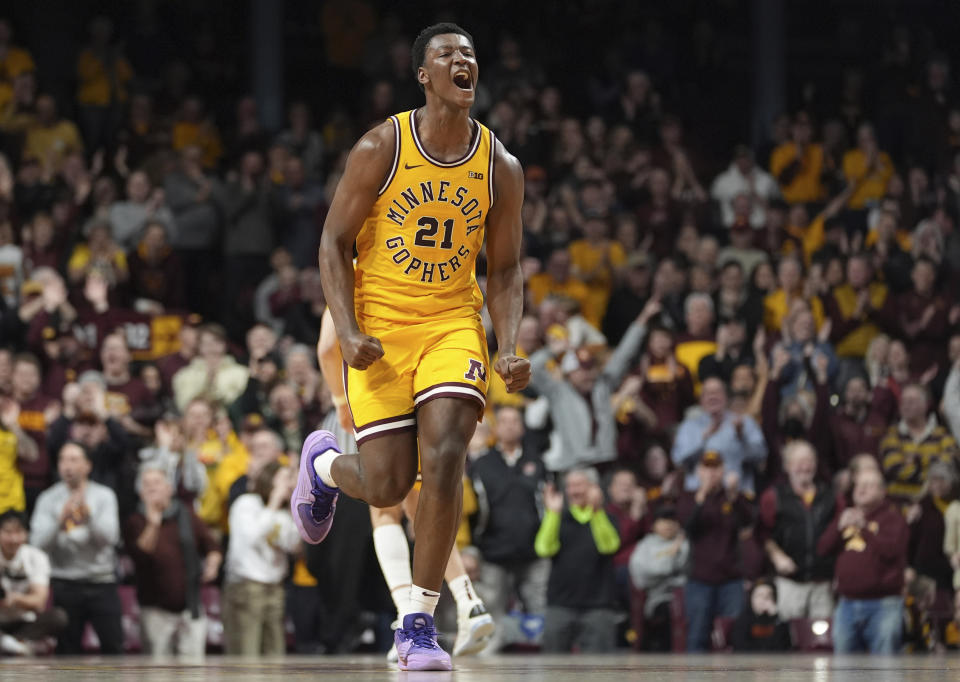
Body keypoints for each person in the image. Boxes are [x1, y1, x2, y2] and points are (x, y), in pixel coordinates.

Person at [295, 23, 530, 672]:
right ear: (423, 76)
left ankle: (419, 625)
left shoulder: (499, 164)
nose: (462, 62)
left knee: (448, 453)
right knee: (387, 485)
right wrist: (346, 330)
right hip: (381, 328)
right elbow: (332, 245)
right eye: (446, 56)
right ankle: (321, 467)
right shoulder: (382, 146)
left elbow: (506, 270)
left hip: (454, 321)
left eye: (470, 56)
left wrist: (507, 344)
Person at [315, 306, 496, 659]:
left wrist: (340, 400)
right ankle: (467, 599)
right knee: (426, 506)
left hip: (384, 396)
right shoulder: (422, 275)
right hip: (432, 387)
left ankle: (406, 615)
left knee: (385, 509)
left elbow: (326, 346)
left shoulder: (359, 274)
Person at [29, 441, 122, 654]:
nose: (67, 466)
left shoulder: (104, 496)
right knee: (66, 655)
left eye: (73, 460)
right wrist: (58, 523)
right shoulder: (48, 498)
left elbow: (111, 538)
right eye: (62, 460)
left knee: (114, 651)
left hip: (102, 583)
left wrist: (89, 517)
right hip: (65, 584)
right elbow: (37, 544)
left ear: (87, 466)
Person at [123, 464, 221, 657]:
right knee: (158, 673)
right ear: (140, 492)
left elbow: (211, 546)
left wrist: (212, 563)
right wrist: (153, 522)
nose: (152, 488)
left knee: (193, 672)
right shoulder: (135, 521)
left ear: (169, 488)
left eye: (157, 483)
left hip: (190, 607)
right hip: (154, 609)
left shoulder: (187, 515)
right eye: (146, 484)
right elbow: (140, 556)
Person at [817, 467, 908, 654]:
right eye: (858, 485)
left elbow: (892, 550)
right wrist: (838, 528)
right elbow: (822, 550)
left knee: (885, 670)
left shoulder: (893, 518)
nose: (861, 489)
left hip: (883, 605)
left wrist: (864, 527)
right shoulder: (847, 515)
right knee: (845, 671)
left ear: (882, 492)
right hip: (846, 604)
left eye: (868, 485)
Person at [536, 468, 620, 653]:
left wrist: (597, 511)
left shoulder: (608, 518)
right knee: (553, 668)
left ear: (594, 488)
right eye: (570, 486)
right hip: (560, 604)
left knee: (601, 670)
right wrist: (552, 514)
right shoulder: (559, 517)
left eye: (579, 485)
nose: (574, 491)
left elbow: (609, 546)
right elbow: (543, 549)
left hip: (598, 607)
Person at [677, 451, 755, 652]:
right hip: (699, 580)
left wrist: (734, 496)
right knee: (697, 637)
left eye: (716, 468)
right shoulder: (688, 497)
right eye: (707, 468)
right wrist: (700, 500)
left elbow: (748, 522)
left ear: (724, 471)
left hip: (731, 580)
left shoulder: (731, 497)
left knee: (735, 636)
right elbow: (687, 527)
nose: (712, 473)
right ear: (699, 472)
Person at [223, 461, 299, 656]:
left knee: (275, 652)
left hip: (275, 587)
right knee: (247, 653)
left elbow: (292, 545)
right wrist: (274, 502)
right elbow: (252, 537)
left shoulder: (282, 513)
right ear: (269, 478)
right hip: (247, 587)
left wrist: (294, 507)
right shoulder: (246, 503)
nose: (289, 483)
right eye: (284, 478)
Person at [758, 440, 837, 620]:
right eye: (799, 462)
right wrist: (777, 555)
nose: (805, 467)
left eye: (809, 461)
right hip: (790, 583)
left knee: (821, 642)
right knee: (790, 640)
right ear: (787, 466)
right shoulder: (774, 497)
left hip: (822, 583)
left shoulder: (829, 496)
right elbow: (762, 533)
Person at [672, 376, 767, 494]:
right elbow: (678, 460)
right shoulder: (688, 427)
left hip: (736, 496)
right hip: (698, 497)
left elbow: (761, 456)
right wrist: (704, 439)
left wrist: (741, 437)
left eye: (717, 392)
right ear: (701, 399)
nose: (713, 396)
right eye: (708, 393)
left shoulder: (744, 423)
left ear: (726, 397)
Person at [0, 510, 67, 656]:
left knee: (58, 617)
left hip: (24, 621)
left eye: (18, 532)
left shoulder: (36, 557)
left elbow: (39, 602)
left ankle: (8, 643)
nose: (13, 539)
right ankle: (14, 646)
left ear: (26, 534)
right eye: (7, 532)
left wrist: (14, 598)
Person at [627, 505, 688, 652]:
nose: (668, 525)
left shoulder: (685, 543)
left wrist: (660, 569)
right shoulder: (645, 545)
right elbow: (640, 576)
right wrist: (671, 556)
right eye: (663, 521)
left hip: (681, 599)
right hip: (654, 601)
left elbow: (684, 571)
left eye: (672, 521)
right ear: (654, 525)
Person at [730, 579, 792, 652]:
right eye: (759, 595)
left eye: (768, 596)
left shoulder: (778, 620)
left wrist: (775, 617)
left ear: (774, 599)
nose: (763, 599)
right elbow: (740, 647)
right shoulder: (743, 619)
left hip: (774, 661)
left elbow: (784, 647)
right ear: (751, 598)